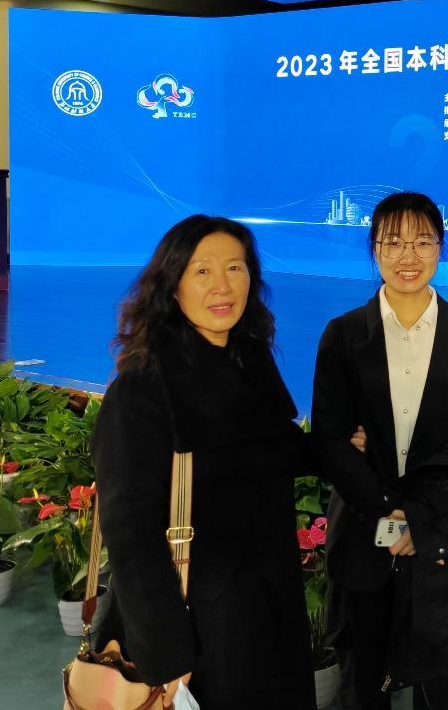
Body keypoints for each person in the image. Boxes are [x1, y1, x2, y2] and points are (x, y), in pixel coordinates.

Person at [92, 215, 316, 708]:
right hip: (200, 626)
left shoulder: (250, 360)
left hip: (270, 606)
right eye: (201, 271)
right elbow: (129, 534)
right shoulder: (141, 392)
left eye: (235, 267)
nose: (222, 286)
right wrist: (167, 653)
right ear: (172, 286)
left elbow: (273, 448)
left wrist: (342, 449)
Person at [312, 191, 448, 710]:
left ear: (440, 247)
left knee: (439, 687)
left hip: (438, 542)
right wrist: (390, 510)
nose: (408, 256)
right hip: (362, 537)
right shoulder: (343, 335)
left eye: (422, 242)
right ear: (374, 249)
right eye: (393, 242)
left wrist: (428, 520)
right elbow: (330, 441)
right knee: (361, 684)